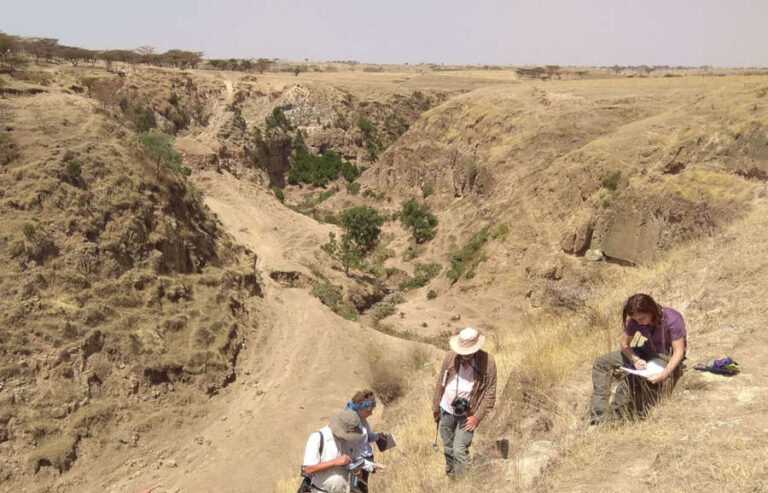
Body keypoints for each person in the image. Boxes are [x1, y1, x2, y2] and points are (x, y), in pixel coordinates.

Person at [589, 293, 687, 424]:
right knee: (601, 363)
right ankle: (598, 414)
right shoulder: (635, 320)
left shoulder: (672, 319)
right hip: (645, 350)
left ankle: (614, 419)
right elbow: (624, 343)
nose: (640, 322)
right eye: (636, 320)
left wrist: (663, 375)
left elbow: (679, 352)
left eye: (642, 318)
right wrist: (634, 359)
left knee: (629, 380)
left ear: (651, 310)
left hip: (665, 355)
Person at [431, 327, 497, 478]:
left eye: (468, 352)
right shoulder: (450, 357)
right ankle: (452, 477)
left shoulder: (487, 361)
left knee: (459, 449)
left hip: (468, 415)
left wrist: (477, 417)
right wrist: (435, 409)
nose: (464, 355)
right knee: (448, 448)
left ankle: (465, 483)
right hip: (446, 410)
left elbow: (490, 392)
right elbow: (440, 382)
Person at [302, 409, 364, 493]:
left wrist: (357, 471)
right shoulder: (317, 438)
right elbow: (308, 469)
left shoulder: (349, 441)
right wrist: (335, 462)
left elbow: (356, 462)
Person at [344, 390, 387, 492]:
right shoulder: (352, 424)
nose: (371, 414)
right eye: (368, 411)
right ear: (360, 409)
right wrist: (356, 467)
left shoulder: (363, 419)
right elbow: (349, 449)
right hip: (358, 465)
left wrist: (377, 436)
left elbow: (365, 436)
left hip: (365, 462)